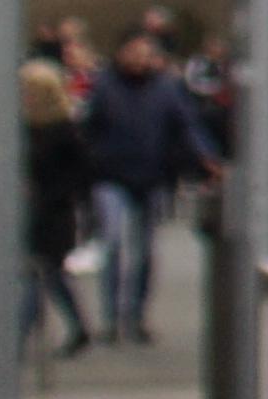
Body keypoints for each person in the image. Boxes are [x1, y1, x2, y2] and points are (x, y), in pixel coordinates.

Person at [76, 28, 216, 347]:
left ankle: (135, 316)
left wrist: (206, 157)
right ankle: (111, 318)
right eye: (135, 52)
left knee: (144, 251)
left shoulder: (166, 89)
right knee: (113, 243)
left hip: (153, 177)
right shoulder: (105, 87)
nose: (141, 60)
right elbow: (88, 130)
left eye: (147, 54)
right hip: (111, 176)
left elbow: (186, 125)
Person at [19, 43, 96, 353]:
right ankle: (77, 327)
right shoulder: (22, 129)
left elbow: (81, 174)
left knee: (41, 275)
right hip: (31, 210)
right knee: (49, 276)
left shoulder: (64, 130)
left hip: (54, 212)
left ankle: (17, 337)